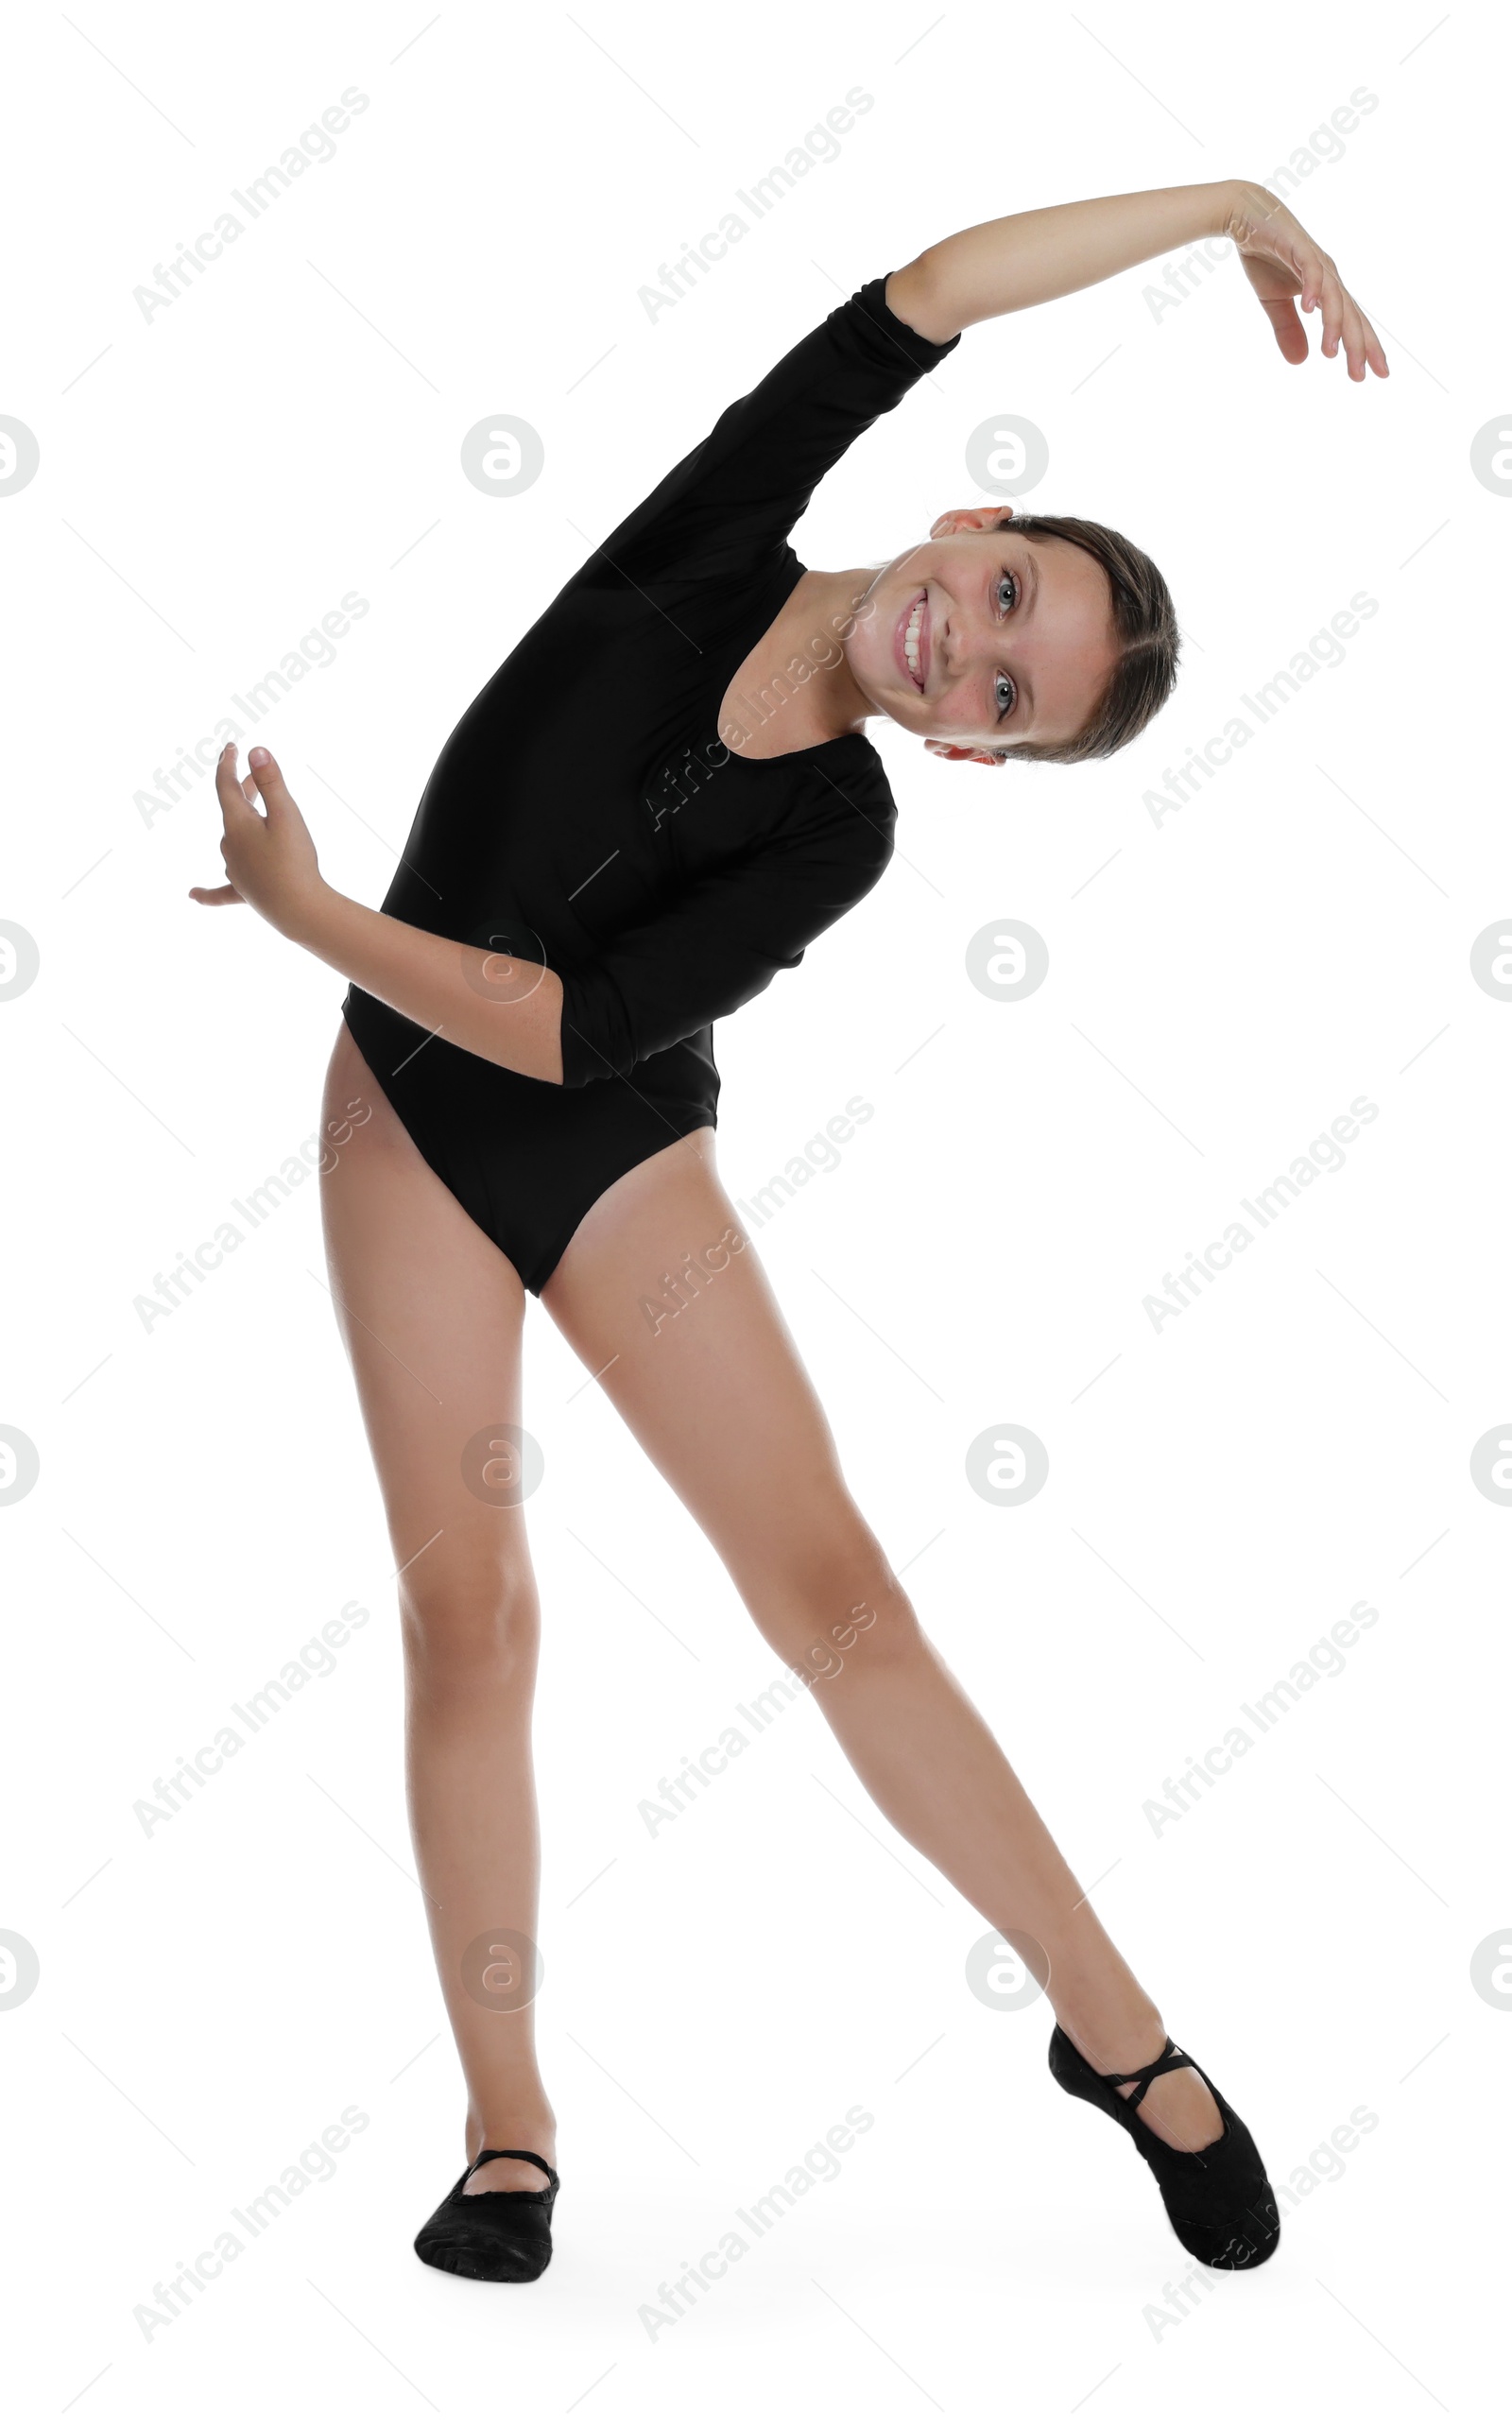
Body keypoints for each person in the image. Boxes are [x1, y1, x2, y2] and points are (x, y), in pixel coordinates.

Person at [193, 179, 1386, 2283]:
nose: (974, 649)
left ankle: (1118, 2041)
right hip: (405, 1114)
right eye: (1004, 595)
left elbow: (570, 1027)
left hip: (590, 1114)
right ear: (960, 524)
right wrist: (1218, 205)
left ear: (967, 751)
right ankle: (508, 2136)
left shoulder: (840, 831)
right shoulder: (710, 539)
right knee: (469, 1618)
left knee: (833, 1594)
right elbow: (925, 293)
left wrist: (318, 925)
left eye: (1005, 692)